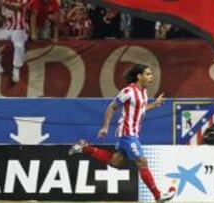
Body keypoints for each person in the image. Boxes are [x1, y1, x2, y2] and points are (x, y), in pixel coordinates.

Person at [69, 64, 176, 203]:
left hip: (133, 133)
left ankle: (84, 147)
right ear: (139, 76)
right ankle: (158, 196)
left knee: (115, 162)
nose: (151, 77)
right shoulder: (128, 91)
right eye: (148, 74)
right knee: (142, 161)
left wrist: (154, 105)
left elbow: (141, 109)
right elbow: (111, 107)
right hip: (127, 133)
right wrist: (105, 127)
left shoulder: (143, 91)